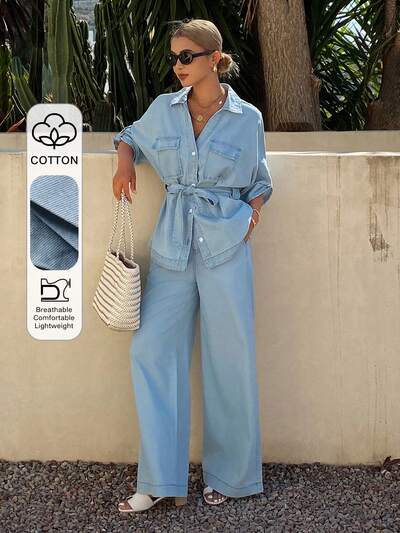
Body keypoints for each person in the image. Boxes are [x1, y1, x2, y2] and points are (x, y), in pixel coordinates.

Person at [112, 18, 273, 512]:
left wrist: (253, 212)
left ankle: (233, 477)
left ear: (214, 59)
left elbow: (260, 179)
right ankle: (161, 480)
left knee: (231, 359)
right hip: (173, 247)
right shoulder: (164, 109)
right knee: (151, 350)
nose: (178, 66)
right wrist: (123, 161)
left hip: (226, 245)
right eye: (174, 58)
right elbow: (129, 135)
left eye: (187, 56)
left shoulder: (247, 118)